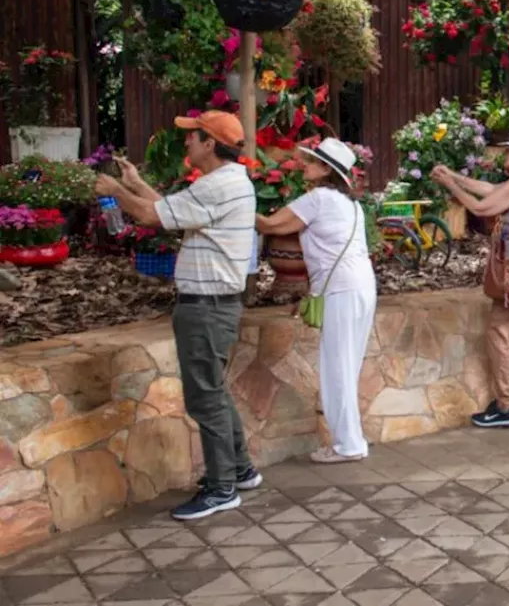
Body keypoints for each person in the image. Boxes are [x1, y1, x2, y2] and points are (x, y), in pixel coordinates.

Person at [93, 111, 259, 521]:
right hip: (214, 305)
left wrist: (115, 189)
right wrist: (136, 185)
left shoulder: (219, 185)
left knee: (204, 398)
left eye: (193, 136)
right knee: (214, 390)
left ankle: (222, 489)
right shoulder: (225, 183)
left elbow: (152, 217)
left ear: (209, 144)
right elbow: (171, 210)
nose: (186, 142)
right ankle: (240, 471)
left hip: (205, 306)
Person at [257, 138, 376, 462]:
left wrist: (233, 206)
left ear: (326, 170)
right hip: (362, 287)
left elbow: (271, 224)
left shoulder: (318, 198)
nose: (303, 164)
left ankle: (348, 445)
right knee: (347, 367)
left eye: (310, 161)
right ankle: (352, 440)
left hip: (341, 290)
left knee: (336, 368)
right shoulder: (350, 203)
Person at [432, 125, 509, 428]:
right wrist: (456, 176)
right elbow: (491, 191)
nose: (503, 154)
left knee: (500, 330)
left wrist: (451, 185)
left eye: (508, 150)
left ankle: (505, 406)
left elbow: (480, 205)